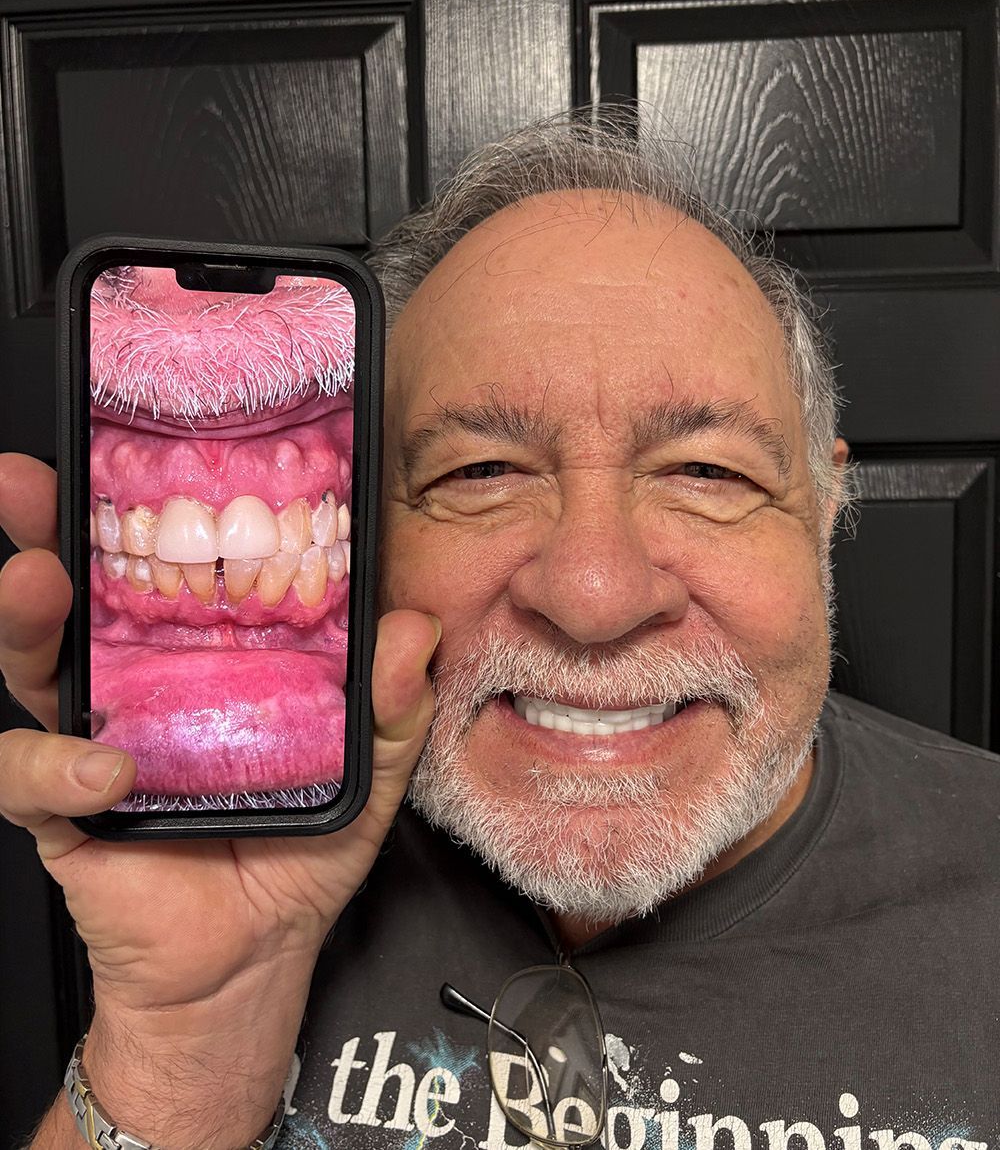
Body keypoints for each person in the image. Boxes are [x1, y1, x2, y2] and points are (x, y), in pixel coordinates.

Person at [1, 113, 997, 1150]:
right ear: (365, 528)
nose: (595, 594)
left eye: (707, 473)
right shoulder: (269, 851)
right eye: (479, 473)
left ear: (826, 502)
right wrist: (182, 1053)